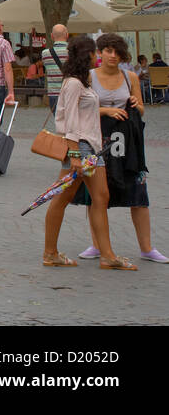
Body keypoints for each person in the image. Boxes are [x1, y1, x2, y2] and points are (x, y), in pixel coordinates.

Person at [42, 37, 136, 270]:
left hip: (91, 148)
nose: (99, 56)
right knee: (62, 198)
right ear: (87, 55)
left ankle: (106, 255)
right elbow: (70, 120)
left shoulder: (82, 82)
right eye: (95, 53)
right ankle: (51, 252)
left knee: (100, 197)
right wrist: (74, 154)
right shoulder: (74, 83)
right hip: (80, 147)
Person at [72, 35, 166, 263]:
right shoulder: (89, 78)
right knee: (97, 195)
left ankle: (147, 248)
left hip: (129, 144)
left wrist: (136, 105)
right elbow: (80, 111)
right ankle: (97, 244)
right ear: (100, 53)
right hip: (98, 142)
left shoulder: (130, 76)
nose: (112, 56)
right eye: (108, 51)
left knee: (138, 194)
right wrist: (106, 111)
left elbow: (142, 109)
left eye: (117, 52)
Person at [41, 24, 68, 115]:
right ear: (67, 35)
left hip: (54, 93)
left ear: (52, 36)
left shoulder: (45, 53)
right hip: (70, 92)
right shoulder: (73, 52)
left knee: (58, 122)